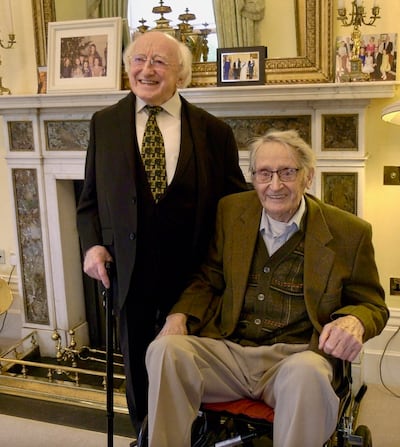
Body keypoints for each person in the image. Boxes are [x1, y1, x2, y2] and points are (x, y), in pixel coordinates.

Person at [146, 129, 389, 447]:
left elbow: (372, 305)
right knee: (165, 351)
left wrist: (355, 320)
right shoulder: (231, 212)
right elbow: (210, 277)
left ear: (307, 176)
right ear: (253, 177)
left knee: (308, 375)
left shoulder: (349, 233)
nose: (275, 185)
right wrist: (178, 315)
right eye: (264, 173)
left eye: (287, 172)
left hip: (296, 358)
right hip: (229, 354)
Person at [76, 30, 247, 438]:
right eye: (138, 59)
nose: (145, 70)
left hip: (193, 276)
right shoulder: (104, 124)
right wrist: (93, 245)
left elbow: (236, 204)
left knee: (187, 362)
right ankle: (146, 436)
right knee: (136, 364)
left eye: (158, 62)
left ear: (181, 76)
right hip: (127, 270)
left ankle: (194, 435)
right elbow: (89, 199)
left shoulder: (214, 131)